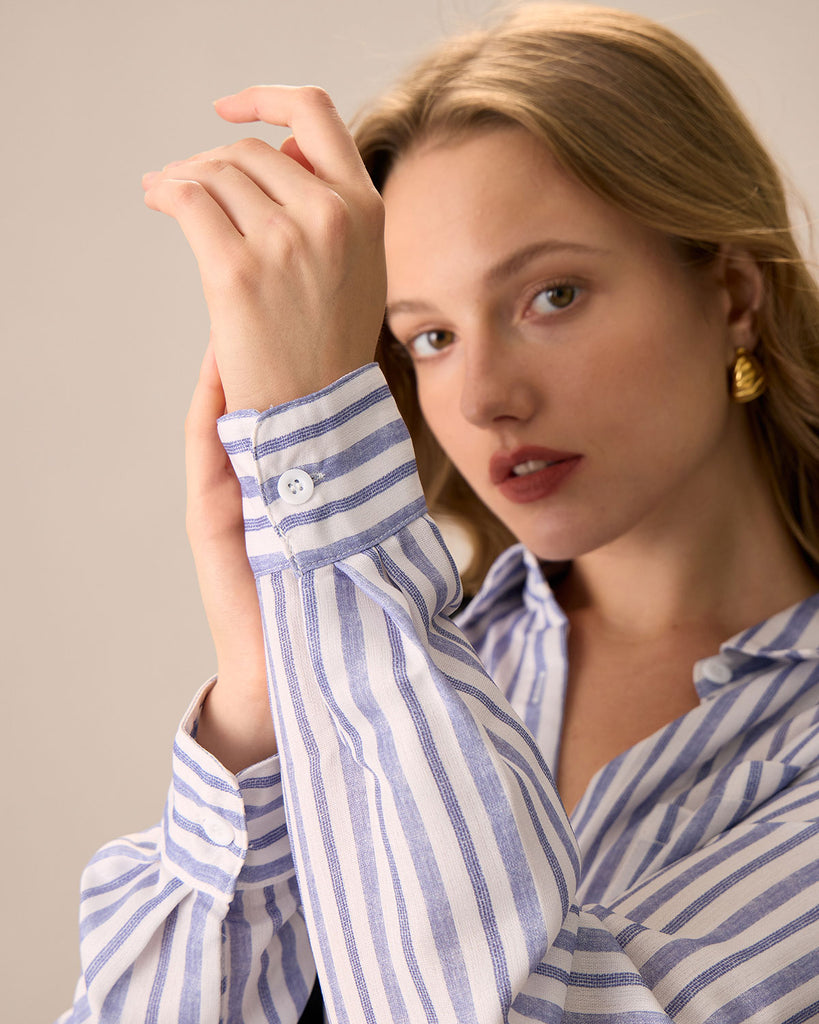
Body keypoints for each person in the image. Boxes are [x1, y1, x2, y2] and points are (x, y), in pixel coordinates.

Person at [59, 4, 819, 1022]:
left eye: (551, 296)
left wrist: (326, 486)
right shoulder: (405, 665)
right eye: (427, 338)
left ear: (731, 291)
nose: (481, 400)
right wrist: (261, 694)